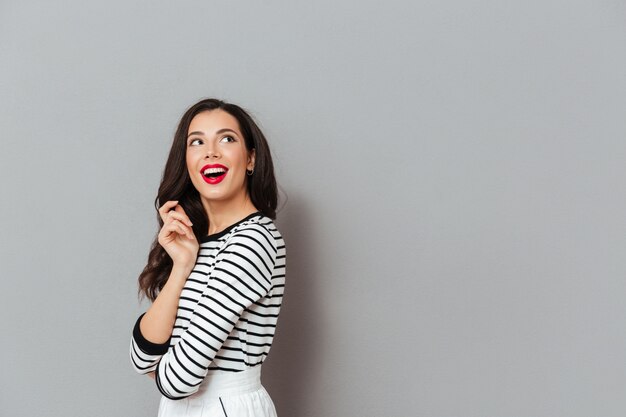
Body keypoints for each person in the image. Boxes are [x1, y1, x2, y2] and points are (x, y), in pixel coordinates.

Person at [129, 98, 286, 417]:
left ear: (251, 158)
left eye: (227, 139)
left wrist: (165, 368)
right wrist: (182, 266)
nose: (210, 151)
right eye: (197, 141)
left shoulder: (253, 240)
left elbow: (178, 381)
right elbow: (140, 358)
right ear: (186, 160)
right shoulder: (194, 242)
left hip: (226, 407)